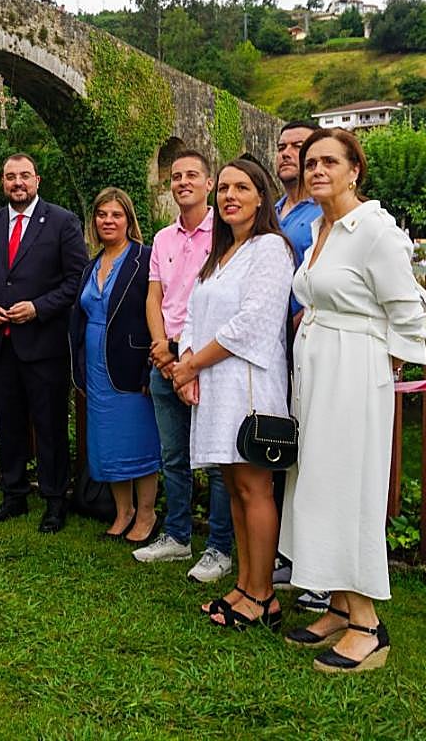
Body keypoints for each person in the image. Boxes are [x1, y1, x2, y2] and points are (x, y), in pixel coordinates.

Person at [279, 128, 426, 672]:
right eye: (309, 162)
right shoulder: (323, 227)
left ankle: (368, 625)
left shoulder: (374, 229)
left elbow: (404, 313)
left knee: (346, 486)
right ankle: (340, 606)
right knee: (318, 482)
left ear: (354, 170)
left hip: (352, 372)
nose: (316, 169)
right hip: (318, 369)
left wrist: (376, 375)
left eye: (329, 161)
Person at [171, 159, 294, 630]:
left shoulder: (270, 249)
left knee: (254, 486)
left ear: (261, 196)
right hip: (214, 385)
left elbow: (253, 323)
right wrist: (187, 365)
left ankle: (263, 596)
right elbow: (191, 318)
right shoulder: (220, 254)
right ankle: (245, 584)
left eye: (241, 187)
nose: (229, 196)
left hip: (247, 385)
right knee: (234, 487)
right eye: (223, 188)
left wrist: (191, 364)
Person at [0, 154, 88, 533]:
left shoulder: (62, 221)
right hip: (0, 344)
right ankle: (14, 494)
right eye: (9, 177)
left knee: (49, 424)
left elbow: (76, 279)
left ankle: (55, 500)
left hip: (43, 344)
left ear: (37, 179)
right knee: (8, 423)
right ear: (2, 182)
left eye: (24, 176)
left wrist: (38, 307)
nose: (17, 183)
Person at [135, 149, 235, 582]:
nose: (183, 182)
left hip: (207, 357)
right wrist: (160, 346)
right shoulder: (162, 238)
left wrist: (188, 357)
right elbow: (154, 296)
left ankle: (219, 548)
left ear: (209, 183)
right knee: (173, 455)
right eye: (176, 176)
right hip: (166, 354)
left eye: (192, 175)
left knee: (215, 459)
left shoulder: (227, 233)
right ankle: (177, 536)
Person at [69, 188, 161, 544]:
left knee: (139, 441)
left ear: (128, 220)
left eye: (116, 215)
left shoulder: (144, 258)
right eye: (102, 215)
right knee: (108, 443)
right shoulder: (91, 265)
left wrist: (147, 368)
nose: (108, 221)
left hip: (130, 364)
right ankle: (122, 513)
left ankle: (147, 513)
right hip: (95, 366)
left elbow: (155, 314)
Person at [268, 119, 329, 613]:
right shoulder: (273, 211)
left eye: (300, 148)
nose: (288, 154)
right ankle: (290, 553)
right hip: (271, 347)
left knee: (317, 454)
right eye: (283, 147)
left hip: (311, 345)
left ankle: (323, 573)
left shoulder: (325, 213)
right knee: (284, 453)